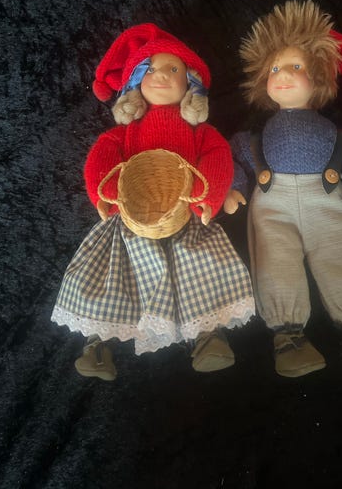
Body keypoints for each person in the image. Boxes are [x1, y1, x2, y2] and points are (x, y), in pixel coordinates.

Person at [52, 22, 255, 380]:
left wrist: (207, 198)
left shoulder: (201, 132)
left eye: (173, 70)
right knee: (114, 275)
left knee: (199, 268)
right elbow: (103, 157)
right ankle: (97, 343)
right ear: (135, 83)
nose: (161, 76)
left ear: (191, 84)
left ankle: (209, 337)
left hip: (187, 212)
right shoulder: (125, 132)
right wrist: (105, 195)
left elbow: (217, 157)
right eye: (151, 69)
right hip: (131, 216)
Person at [224, 0, 342, 378]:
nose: (283, 75)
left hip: (328, 198)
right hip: (272, 204)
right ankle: (288, 340)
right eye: (275, 68)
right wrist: (234, 187)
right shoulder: (256, 138)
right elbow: (234, 155)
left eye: (296, 66)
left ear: (319, 76)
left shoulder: (339, 135)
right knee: (275, 262)